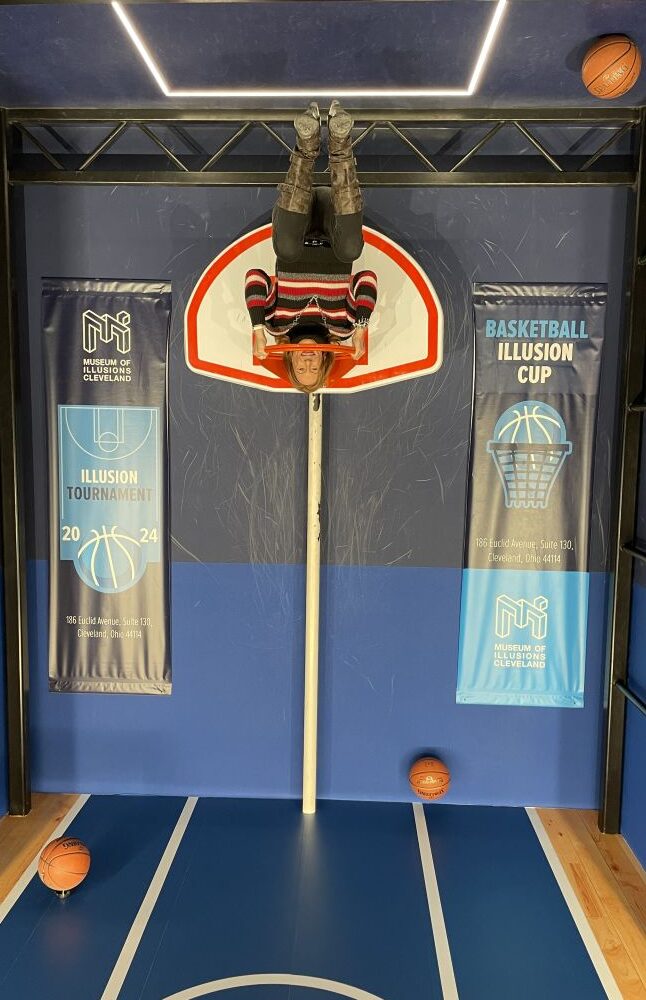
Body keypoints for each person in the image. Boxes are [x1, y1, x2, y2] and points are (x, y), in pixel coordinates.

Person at [245, 101, 377, 392]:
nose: (307, 361)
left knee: (287, 250)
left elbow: (255, 278)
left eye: (301, 367)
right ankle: (340, 142)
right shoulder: (343, 327)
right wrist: (361, 327)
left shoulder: (275, 323)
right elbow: (367, 281)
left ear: (290, 359)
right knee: (351, 251)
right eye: (314, 367)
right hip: (333, 218)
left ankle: (306, 145)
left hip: (298, 220)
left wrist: (257, 328)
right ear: (324, 359)